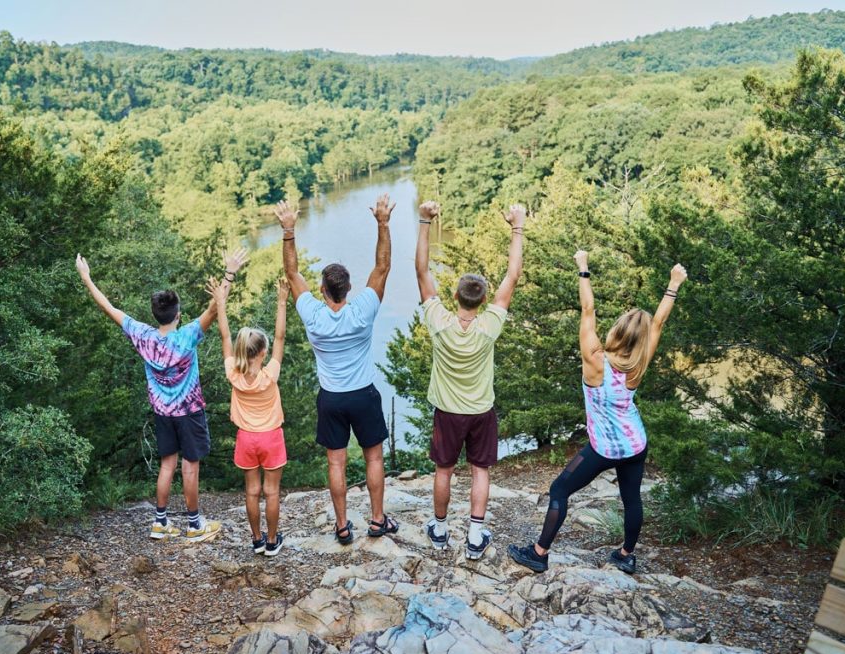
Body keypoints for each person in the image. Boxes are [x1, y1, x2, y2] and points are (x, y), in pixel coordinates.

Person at [509, 251, 688, 574]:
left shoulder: (594, 359)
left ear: (616, 332)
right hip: (634, 444)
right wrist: (673, 284)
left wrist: (583, 268)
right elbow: (659, 321)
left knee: (559, 490)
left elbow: (588, 309)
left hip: (604, 447)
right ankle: (625, 555)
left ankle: (539, 553)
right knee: (631, 498)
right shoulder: (639, 362)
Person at [75, 249, 249, 542]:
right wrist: (229, 272)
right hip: (189, 411)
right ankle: (194, 526)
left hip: (162, 413)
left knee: (168, 463)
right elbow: (215, 307)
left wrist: (87, 278)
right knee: (190, 465)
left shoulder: (142, 335)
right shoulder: (188, 335)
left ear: (155, 315)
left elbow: (109, 308)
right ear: (178, 315)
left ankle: (160, 522)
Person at [278, 195, 396, 544]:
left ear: (322, 290)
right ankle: (377, 520)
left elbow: (291, 272)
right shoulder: (362, 310)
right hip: (363, 394)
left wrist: (288, 230)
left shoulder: (313, 315)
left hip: (331, 398)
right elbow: (383, 267)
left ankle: (343, 527)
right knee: (374, 456)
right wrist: (383, 223)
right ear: (348, 290)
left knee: (336, 464)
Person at [415, 201, 526, 560]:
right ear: (481, 301)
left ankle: (441, 530)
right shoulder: (489, 326)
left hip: (447, 413)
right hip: (481, 411)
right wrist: (517, 226)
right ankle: (476, 537)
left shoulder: (439, 323)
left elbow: (421, 271)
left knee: (443, 470)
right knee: (480, 471)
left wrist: (424, 221)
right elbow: (512, 276)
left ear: (455, 297)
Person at [210, 275, 290, 557]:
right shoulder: (270, 375)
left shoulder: (233, 374)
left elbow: (224, 336)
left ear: (243, 351)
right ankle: (271, 541)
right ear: (264, 352)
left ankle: (256, 540)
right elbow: (281, 336)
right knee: (272, 492)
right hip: (271, 438)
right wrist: (282, 301)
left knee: (252, 491)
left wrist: (220, 303)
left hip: (246, 439)